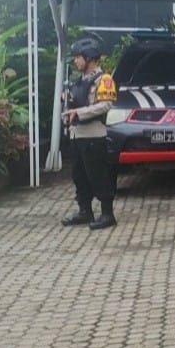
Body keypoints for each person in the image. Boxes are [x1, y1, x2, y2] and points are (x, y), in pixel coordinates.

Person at [61, 37, 119, 231]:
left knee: (99, 176)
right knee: (79, 176)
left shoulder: (105, 80)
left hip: (94, 135)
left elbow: (105, 105)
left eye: (78, 57)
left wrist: (79, 113)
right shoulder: (77, 81)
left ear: (90, 58)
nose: (76, 61)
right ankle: (84, 210)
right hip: (76, 135)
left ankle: (107, 213)